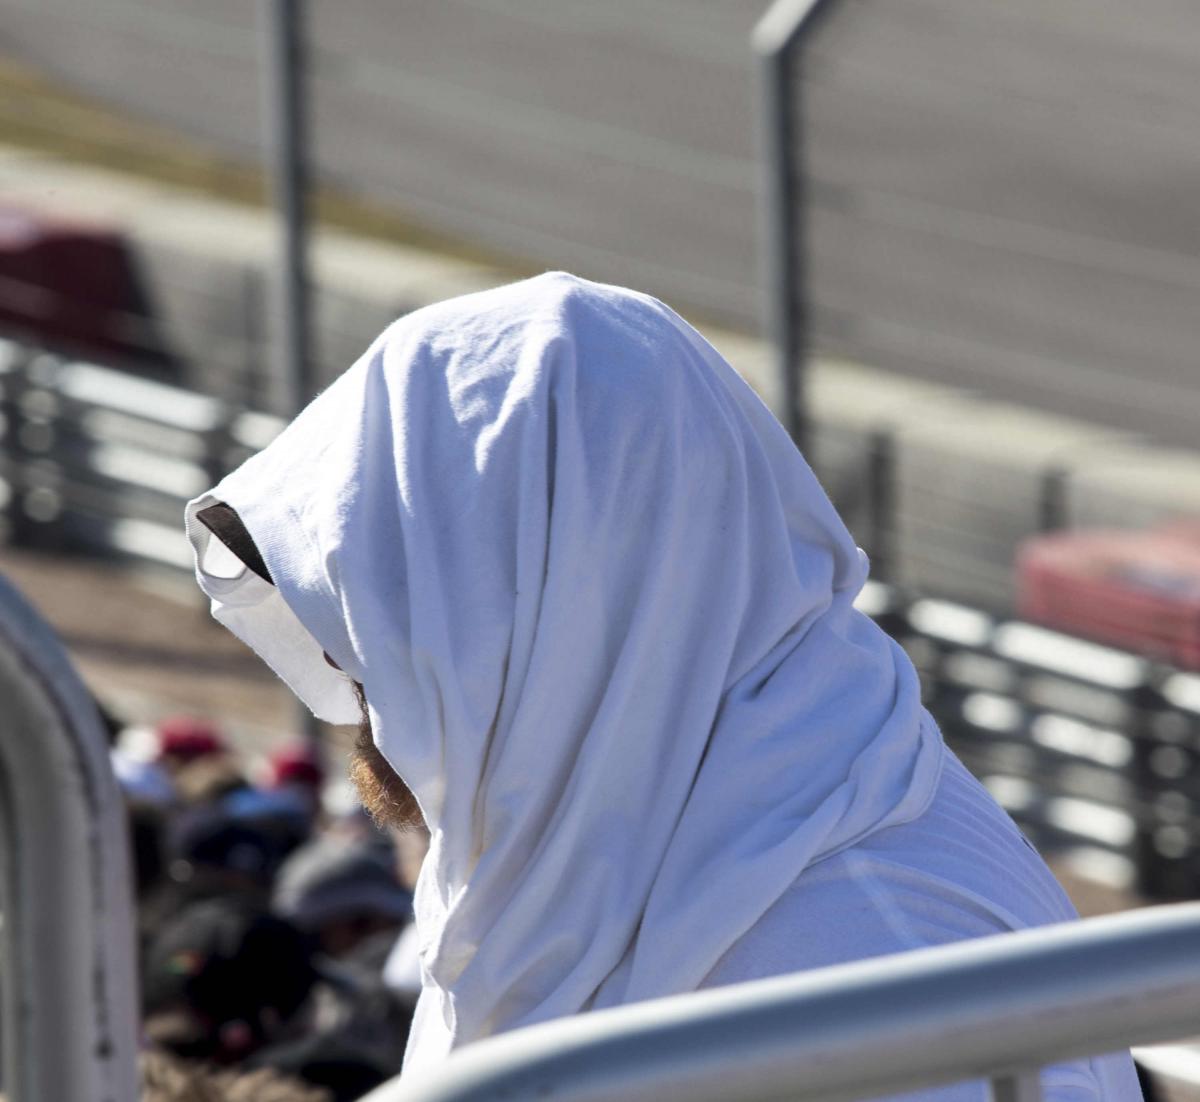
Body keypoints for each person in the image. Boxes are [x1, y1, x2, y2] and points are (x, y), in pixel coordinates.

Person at [184, 272, 1141, 1098]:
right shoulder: (624, 822)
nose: (347, 677)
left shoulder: (869, 970)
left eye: (385, 611)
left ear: (552, 605)